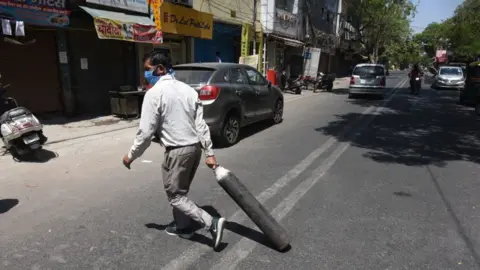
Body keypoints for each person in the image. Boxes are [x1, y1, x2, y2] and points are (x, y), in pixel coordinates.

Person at [122, 53, 226, 249]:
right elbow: (201, 125)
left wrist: (131, 156)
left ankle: (210, 222)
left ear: (159, 69)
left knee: (175, 196)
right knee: (180, 191)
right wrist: (209, 153)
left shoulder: (154, 94)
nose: (145, 74)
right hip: (194, 150)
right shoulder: (188, 91)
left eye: (147, 69)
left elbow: (145, 133)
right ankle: (183, 226)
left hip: (177, 152)